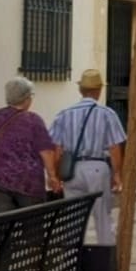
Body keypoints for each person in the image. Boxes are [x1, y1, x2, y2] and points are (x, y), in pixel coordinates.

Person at [48, 69, 126, 246]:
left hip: (72, 170)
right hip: (97, 168)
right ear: (99, 90)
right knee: (102, 218)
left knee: (73, 220)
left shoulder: (64, 114)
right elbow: (114, 147)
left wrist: (54, 175)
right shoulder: (107, 113)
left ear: (80, 90)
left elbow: (56, 147)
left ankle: (73, 260)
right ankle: (105, 259)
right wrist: (117, 175)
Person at [0, 77, 60, 214]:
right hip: (27, 182)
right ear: (26, 98)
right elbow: (46, 152)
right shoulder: (33, 120)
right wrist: (52, 176)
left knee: (0, 224)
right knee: (32, 226)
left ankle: (1, 235)